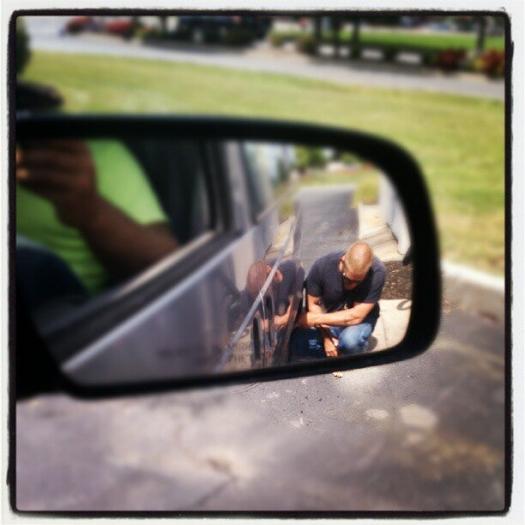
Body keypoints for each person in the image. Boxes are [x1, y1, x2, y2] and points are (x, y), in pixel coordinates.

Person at [294, 241, 386, 357]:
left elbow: (356, 316)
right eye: (347, 279)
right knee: (297, 342)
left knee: (350, 341)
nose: (352, 285)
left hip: (359, 320)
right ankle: (337, 345)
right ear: (342, 261)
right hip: (328, 319)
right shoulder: (322, 267)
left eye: (357, 281)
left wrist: (315, 319)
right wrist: (326, 338)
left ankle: (352, 349)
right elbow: (313, 304)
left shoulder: (377, 272)